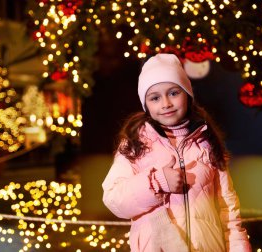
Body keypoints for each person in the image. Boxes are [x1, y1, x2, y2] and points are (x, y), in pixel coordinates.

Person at [102, 53, 251, 252]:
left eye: (173, 93)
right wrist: (157, 182)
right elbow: (114, 199)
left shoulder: (206, 143)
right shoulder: (135, 144)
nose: (166, 104)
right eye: (155, 97)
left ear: (187, 95)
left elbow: (228, 211)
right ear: (146, 104)